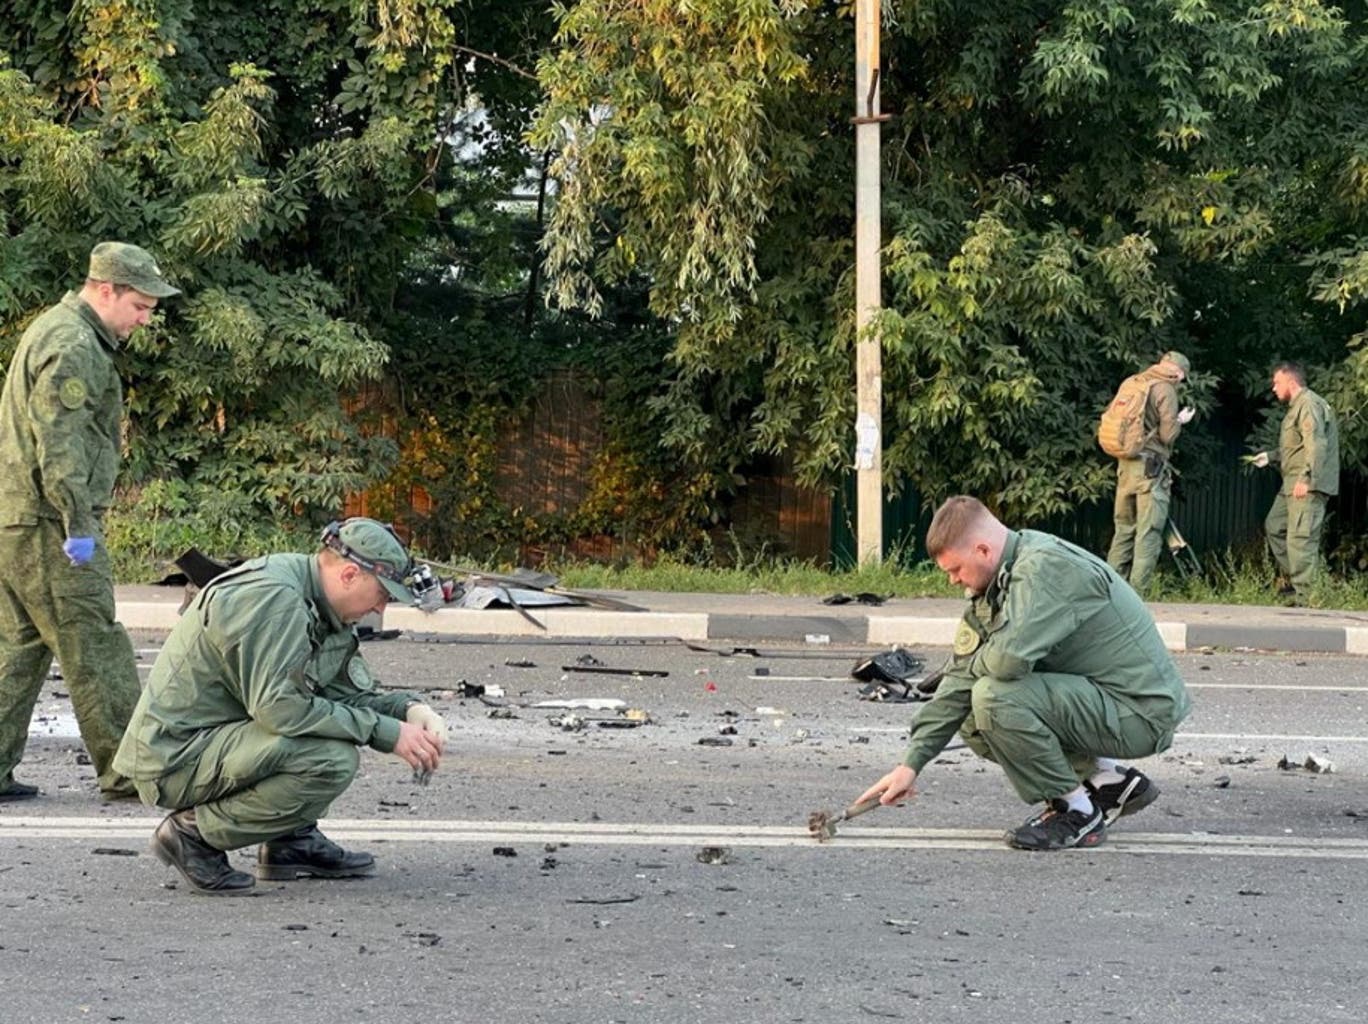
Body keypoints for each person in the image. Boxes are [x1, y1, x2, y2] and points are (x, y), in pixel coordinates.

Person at [113, 518, 449, 895]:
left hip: (218, 741)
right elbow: (281, 710)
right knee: (329, 759)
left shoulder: (322, 603)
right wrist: (384, 732)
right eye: (383, 594)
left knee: (327, 733)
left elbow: (342, 695)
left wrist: (410, 711)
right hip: (174, 757)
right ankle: (193, 835)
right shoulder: (276, 599)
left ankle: (290, 841)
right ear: (350, 574)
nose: (381, 607)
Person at [858, 496, 1192, 851]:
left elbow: (1005, 663)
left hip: (1140, 712)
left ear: (983, 550)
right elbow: (959, 678)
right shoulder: (999, 581)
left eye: (955, 570)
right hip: (1103, 700)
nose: (953, 581)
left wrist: (972, 668)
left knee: (993, 696)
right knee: (971, 713)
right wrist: (910, 764)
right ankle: (1107, 780)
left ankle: (1077, 813)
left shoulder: (1045, 571)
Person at [0, 242, 181, 803]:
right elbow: (61, 443)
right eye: (141, 306)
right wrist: (77, 523)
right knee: (95, 644)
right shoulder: (75, 344)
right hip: (51, 524)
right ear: (106, 290)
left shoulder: (56, 329)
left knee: (20, 647)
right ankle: (131, 770)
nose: (145, 319)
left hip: (19, 518)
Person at [1247, 362, 1340, 599]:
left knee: (1301, 539)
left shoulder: (1308, 405)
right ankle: (1298, 581)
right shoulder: (1298, 406)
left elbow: (1316, 445)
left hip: (1304, 484)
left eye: (1277, 382)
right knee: (1275, 526)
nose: (1274, 388)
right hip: (1291, 483)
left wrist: (1307, 478)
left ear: (1291, 381)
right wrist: (1269, 457)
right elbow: (1297, 447)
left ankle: (1307, 597)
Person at [1105, 351, 1194, 593]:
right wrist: (1179, 421)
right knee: (1149, 532)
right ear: (1178, 373)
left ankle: (1112, 592)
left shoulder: (1132, 382)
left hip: (1125, 466)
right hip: (1150, 470)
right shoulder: (1165, 390)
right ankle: (1137, 595)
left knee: (1123, 529)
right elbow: (1167, 435)